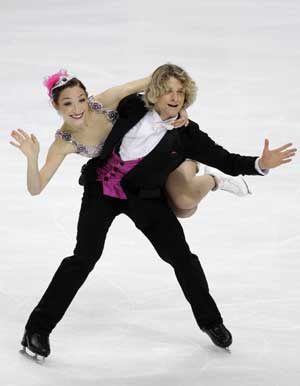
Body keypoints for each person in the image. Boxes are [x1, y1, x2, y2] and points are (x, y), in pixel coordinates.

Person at [18, 63, 296, 358]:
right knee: (83, 257)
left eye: (179, 93)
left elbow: (226, 158)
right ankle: (37, 329)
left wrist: (260, 165)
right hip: (102, 189)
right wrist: (32, 158)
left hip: (144, 196)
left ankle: (211, 322)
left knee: (182, 257)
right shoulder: (130, 107)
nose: (173, 98)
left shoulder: (187, 134)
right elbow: (143, 85)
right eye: (167, 91)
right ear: (155, 93)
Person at [10, 69, 252, 221]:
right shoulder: (63, 143)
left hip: (165, 151)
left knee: (186, 201)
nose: (77, 109)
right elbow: (36, 188)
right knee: (184, 212)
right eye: (68, 103)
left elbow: (161, 78)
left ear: (87, 96)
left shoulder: (105, 101)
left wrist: (180, 107)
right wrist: (32, 159)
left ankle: (215, 179)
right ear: (56, 106)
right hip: (140, 173)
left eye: (81, 99)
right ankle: (198, 182)